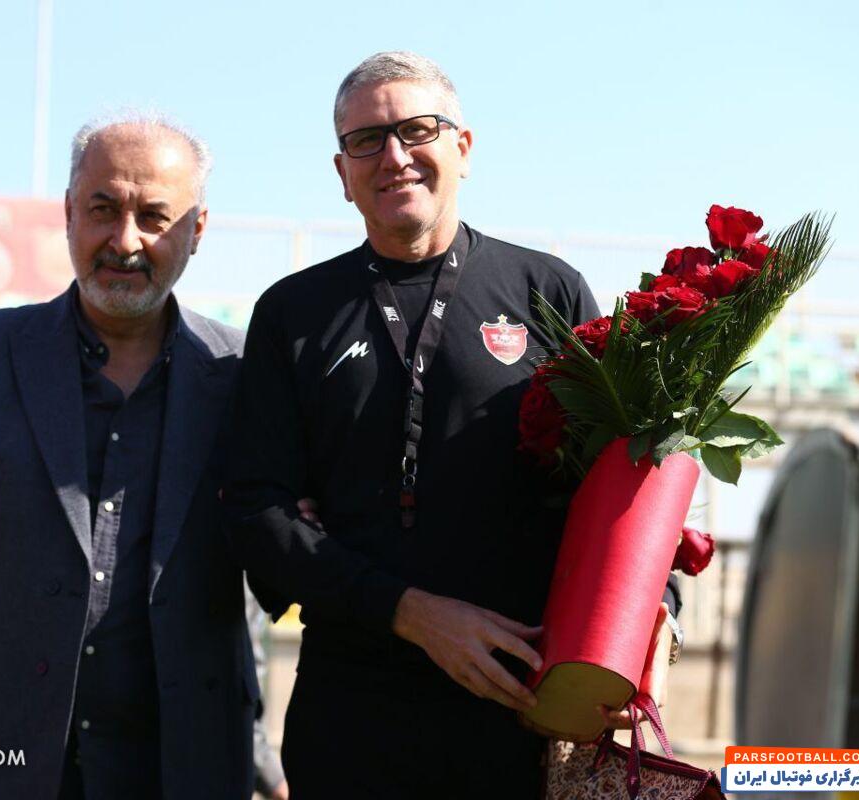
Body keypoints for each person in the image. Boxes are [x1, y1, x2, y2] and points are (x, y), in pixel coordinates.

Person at [223, 51, 682, 798]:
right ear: (342, 173)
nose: (394, 156)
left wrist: (654, 619)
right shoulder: (292, 313)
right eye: (366, 140)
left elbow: (623, 491)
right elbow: (256, 513)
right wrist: (413, 615)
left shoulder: (549, 291)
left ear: (463, 149)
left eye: (418, 130)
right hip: (352, 716)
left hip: (523, 712)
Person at [0, 111, 273, 800]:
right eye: (104, 210)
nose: (125, 241)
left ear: (197, 230)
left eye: (154, 217)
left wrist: (260, 749)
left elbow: (267, 564)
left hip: (184, 764)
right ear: (70, 213)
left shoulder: (245, 376)